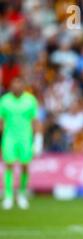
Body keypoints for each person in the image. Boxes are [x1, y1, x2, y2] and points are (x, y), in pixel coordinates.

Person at [0, 77, 43, 210]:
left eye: (19, 85)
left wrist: (38, 140)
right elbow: (1, 122)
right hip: (9, 138)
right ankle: (8, 196)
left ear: (23, 86)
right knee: (9, 165)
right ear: (11, 86)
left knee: (25, 165)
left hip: (25, 138)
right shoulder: (5, 101)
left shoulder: (30, 100)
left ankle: (22, 194)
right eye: (14, 85)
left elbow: (35, 121)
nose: (16, 87)